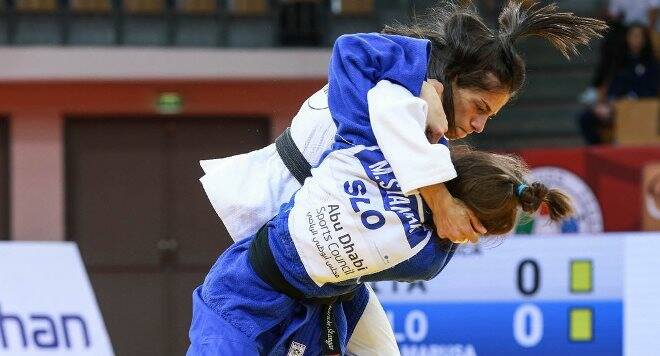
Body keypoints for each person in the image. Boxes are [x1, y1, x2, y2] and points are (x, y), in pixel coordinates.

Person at [197, 1, 604, 354]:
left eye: (489, 117)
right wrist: (439, 195)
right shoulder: (404, 74)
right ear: (454, 80)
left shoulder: (429, 142)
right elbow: (349, 53)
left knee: (380, 348)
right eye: (479, 107)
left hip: (327, 249)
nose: (480, 125)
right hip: (280, 206)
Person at [188, 141, 574, 355]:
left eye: (481, 236)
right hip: (249, 291)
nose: (470, 240)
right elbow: (352, 53)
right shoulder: (398, 148)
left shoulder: (428, 255)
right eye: (474, 226)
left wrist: (436, 192)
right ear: (459, 201)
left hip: (326, 303)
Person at [578, 23, 659, 145]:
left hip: (643, 109)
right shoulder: (619, 62)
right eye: (632, 36)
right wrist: (605, 105)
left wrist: (631, 99)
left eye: (638, 36)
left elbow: (652, 91)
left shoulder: (653, 64)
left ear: (645, 39)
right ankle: (601, 152)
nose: (635, 39)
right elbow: (613, 89)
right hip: (616, 109)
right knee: (585, 118)